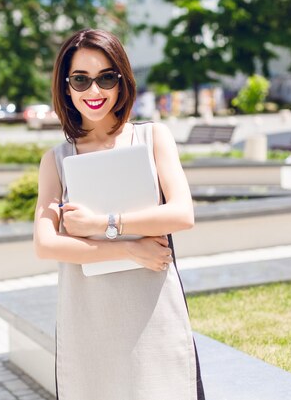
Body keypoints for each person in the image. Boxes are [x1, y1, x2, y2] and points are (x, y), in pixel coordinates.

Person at [33, 28, 205, 400]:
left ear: (122, 81)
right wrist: (129, 248)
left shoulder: (152, 138)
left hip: (153, 309)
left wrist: (101, 224)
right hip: (88, 317)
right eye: (81, 80)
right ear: (66, 87)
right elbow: (46, 244)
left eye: (106, 78)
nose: (94, 92)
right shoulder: (57, 160)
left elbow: (182, 213)